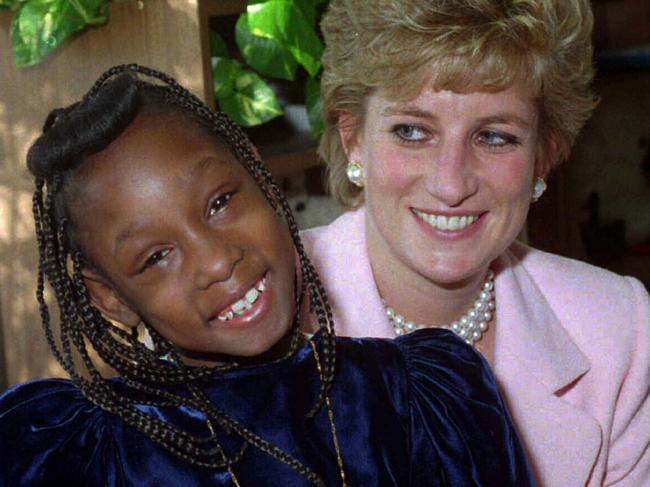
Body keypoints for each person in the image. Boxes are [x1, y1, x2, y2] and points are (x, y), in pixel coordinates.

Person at [0, 64, 534, 486]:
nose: (216, 261)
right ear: (110, 298)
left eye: (220, 202)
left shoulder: (419, 398)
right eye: (156, 256)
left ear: (259, 175)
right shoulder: (87, 458)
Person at [302, 1, 650, 486]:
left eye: (494, 137)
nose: (451, 184)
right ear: (353, 136)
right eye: (412, 131)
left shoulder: (619, 327)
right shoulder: (254, 316)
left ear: (544, 156)